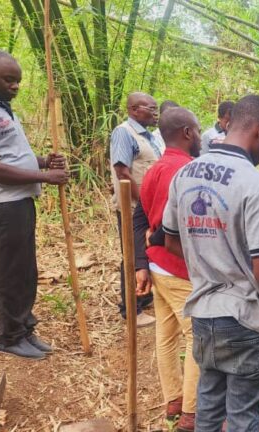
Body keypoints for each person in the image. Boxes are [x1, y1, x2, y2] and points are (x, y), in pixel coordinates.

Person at [162, 95, 259, 432]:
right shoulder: (258, 185)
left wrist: (210, 261)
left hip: (204, 314)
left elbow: (172, 241)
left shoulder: (185, 174)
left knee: (208, 407)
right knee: (242, 417)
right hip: (245, 319)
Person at [0, 49, 69, 359]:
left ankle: (22, 328)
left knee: (24, 269)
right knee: (5, 271)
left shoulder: (1, 108)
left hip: (18, 200)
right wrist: (44, 177)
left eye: (18, 81)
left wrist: (43, 161)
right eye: (8, 79)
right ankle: (6, 336)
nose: (15, 86)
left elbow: (10, 156)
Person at [134, 108, 202, 431]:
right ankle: (190, 413)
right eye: (198, 131)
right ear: (188, 133)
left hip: (158, 265)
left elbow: (144, 218)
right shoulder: (189, 170)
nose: (200, 137)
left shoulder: (154, 170)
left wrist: (143, 262)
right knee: (196, 337)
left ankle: (173, 399)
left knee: (166, 334)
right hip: (178, 267)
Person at [110, 92, 162, 327]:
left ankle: (143, 298)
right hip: (134, 209)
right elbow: (123, 172)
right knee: (132, 257)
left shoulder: (148, 136)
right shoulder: (124, 132)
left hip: (147, 209)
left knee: (145, 254)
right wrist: (144, 205)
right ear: (133, 109)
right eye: (151, 108)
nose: (155, 112)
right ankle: (130, 310)